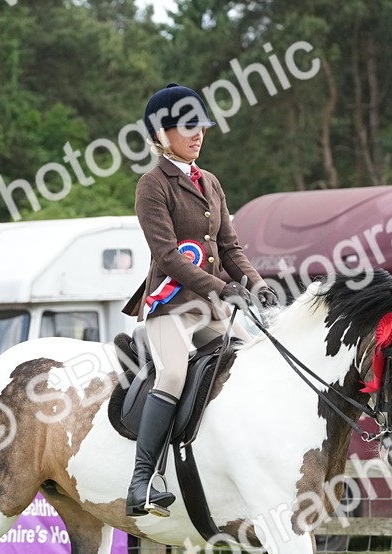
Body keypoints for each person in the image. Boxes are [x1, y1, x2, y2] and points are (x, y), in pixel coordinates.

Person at [121, 83, 279, 517]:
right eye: (188, 127)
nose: (198, 134)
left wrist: (254, 281)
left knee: (253, 360)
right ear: (161, 134)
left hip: (209, 307)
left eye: (202, 126)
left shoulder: (209, 182)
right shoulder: (152, 185)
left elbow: (230, 247)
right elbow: (168, 256)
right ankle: (142, 482)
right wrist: (219, 288)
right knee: (171, 375)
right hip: (171, 306)